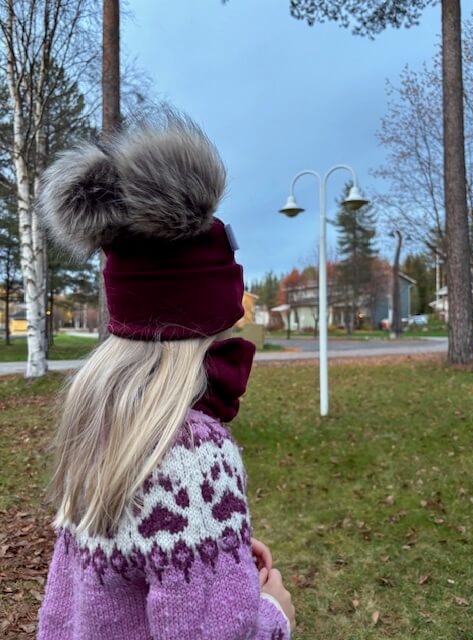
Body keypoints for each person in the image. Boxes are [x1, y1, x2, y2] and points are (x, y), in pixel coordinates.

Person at [37, 112, 296, 640]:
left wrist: (219, 555)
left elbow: (64, 612)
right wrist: (275, 613)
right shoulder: (194, 457)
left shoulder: (101, 424)